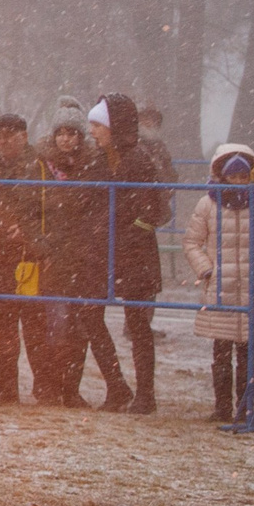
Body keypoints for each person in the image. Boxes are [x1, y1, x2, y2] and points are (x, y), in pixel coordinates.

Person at [89, 92, 170, 412]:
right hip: (104, 252)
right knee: (90, 314)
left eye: (97, 125)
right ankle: (116, 386)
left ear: (114, 126)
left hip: (134, 254)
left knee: (137, 325)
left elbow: (149, 210)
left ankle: (145, 394)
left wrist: (123, 235)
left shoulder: (138, 160)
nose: (92, 132)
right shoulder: (98, 161)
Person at [185, 145, 254, 423]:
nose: (237, 182)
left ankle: (244, 406)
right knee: (221, 350)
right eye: (232, 177)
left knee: (247, 351)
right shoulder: (208, 204)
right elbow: (191, 242)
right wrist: (207, 269)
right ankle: (222, 405)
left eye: (243, 177)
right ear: (222, 177)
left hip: (251, 287)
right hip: (220, 287)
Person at [37, 109, 120, 408]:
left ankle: (70, 388)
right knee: (55, 324)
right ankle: (51, 386)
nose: (64, 139)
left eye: (71, 133)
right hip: (55, 255)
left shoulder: (92, 166)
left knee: (78, 326)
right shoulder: (43, 166)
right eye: (60, 133)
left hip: (81, 255)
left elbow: (80, 211)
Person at [0, 114, 50, 404]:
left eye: (10, 135)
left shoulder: (40, 167)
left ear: (24, 136)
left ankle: (45, 386)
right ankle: (3, 385)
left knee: (34, 323)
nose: (3, 141)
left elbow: (52, 208)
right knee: (3, 322)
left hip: (30, 256)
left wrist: (30, 233)